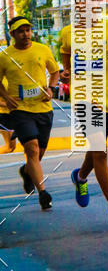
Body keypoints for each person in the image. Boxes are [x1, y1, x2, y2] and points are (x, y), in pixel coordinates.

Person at [59, 17, 108, 227]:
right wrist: (66, 74)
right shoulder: (68, 32)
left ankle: (80, 177)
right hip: (83, 99)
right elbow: (66, 57)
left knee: (95, 151)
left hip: (107, 100)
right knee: (100, 151)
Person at [0, 17, 58, 209]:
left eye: (28, 30)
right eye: (21, 31)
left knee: (38, 153)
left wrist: (51, 89)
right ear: (13, 34)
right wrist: (6, 98)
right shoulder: (5, 56)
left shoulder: (42, 49)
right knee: (31, 148)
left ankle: (27, 171)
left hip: (43, 109)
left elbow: (55, 71)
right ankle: (43, 193)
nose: (26, 34)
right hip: (20, 110)